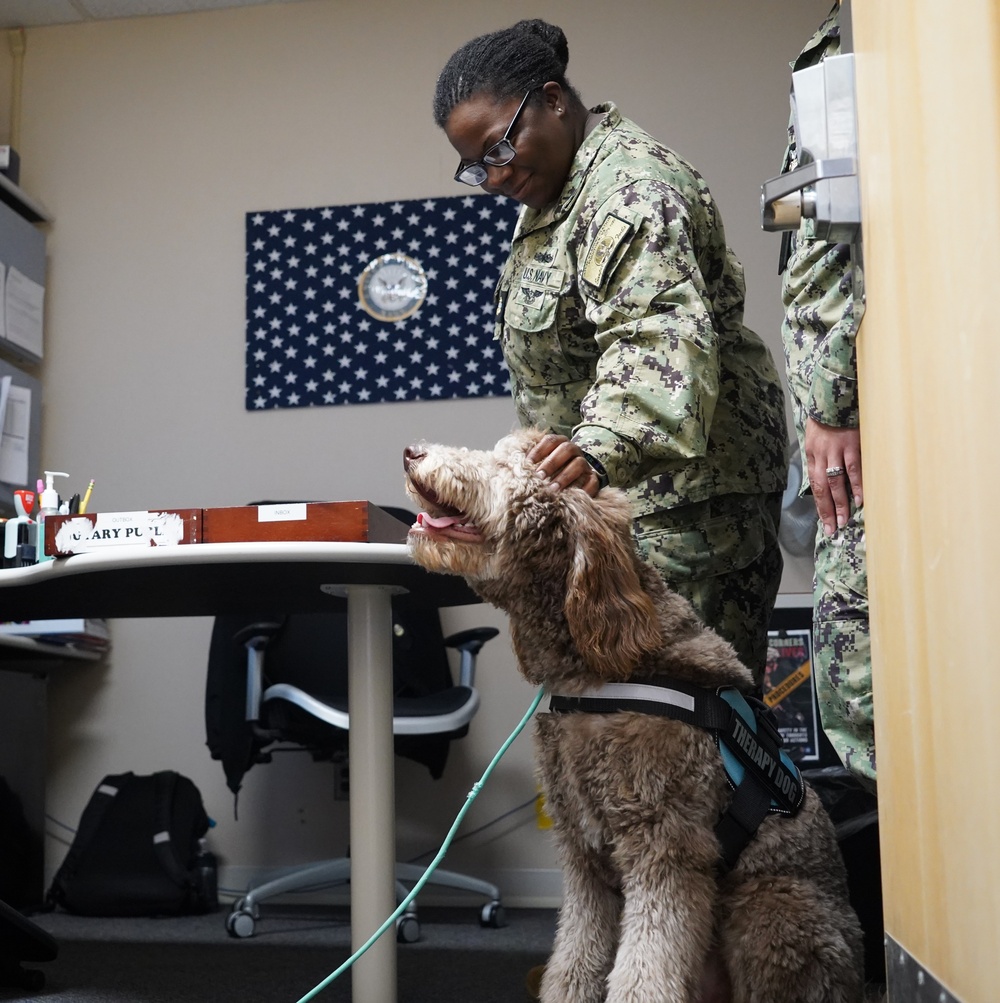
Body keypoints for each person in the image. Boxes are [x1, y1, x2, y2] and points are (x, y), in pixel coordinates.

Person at [432, 19, 788, 689]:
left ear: (554, 100)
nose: (493, 176)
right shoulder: (555, 194)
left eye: (499, 148)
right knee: (625, 729)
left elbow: (655, 339)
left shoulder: (629, 191)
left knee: (686, 726)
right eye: (476, 165)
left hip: (687, 509)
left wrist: (593, 450)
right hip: (618, 505)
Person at [779, 1, 875, 790]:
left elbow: (837, 248)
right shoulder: (840, 41)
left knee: (859, 674)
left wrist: (831, 405)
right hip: (847, 413)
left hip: (863, 421)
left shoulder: (879, 42)